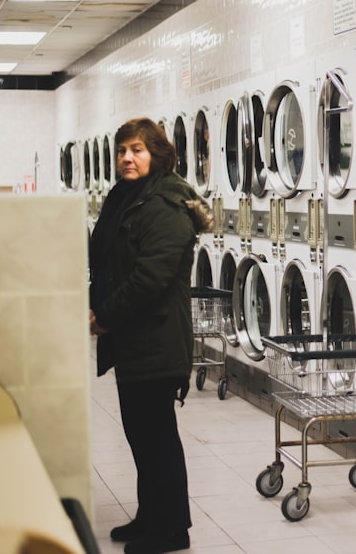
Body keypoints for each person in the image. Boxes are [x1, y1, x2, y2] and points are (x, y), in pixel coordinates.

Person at [88, 118, 213, 554]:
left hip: (156, 338)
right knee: (142, 435)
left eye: (137, 149)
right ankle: (151, 516)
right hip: (136, 339)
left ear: (157, 155)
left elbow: (149, 278)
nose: (127, 157)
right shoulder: (132, 198)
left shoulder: (165, 203)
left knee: (156, 436)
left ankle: (171, 529)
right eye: (122, 149)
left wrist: (104, 317)